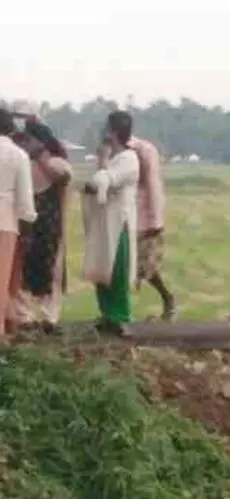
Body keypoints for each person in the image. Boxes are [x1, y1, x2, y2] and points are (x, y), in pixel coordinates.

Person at [80, 111, 140, 334]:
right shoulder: (113, 158)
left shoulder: (128, 158)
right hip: (102, 221)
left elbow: (103, 180)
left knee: (116, 269)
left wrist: (103, 161)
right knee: (101, 267)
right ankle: (106, 313)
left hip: (118, 222)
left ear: (113, 132)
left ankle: (120, 316)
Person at [18, 121, 71, 333]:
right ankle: (27, 316)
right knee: (25, 269)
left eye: (28, 140)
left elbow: (63, 177)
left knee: (53, 271)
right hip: (29, 225)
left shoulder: (57, 163)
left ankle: (51, 317)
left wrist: (41, 156)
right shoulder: (22, 162)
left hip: (52, 226)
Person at [129, 133, 175, 320]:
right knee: (131, 265)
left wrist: (155, 220)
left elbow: (153, 184)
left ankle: (167, 298)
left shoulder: (143, 150)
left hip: (144, 218)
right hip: (128, 215)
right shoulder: (118, 149)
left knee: (145, 266)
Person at [0, 108, 37, 341]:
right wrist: (28, 230)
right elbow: (25, 202)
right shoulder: (17, 155)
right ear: (11, 129)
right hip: (5, 222)